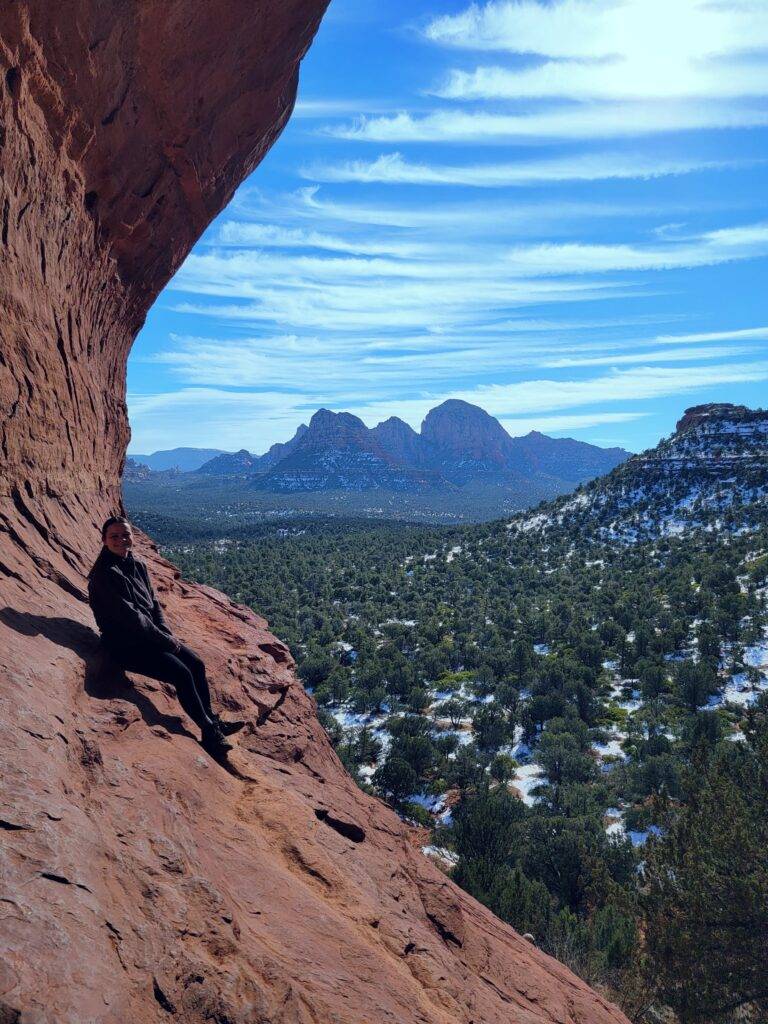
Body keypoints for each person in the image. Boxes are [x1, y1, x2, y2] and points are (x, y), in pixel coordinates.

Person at [88, 516, 244, 757]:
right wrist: (166, 641)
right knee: (181, 673)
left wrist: (164, 632)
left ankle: (212, 721)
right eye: (114, 536)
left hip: (149, 638)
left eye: (125, 535)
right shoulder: (104, 574)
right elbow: (132, 619)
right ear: (104, 540)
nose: (121, 540)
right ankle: (210, 733)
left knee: (197, 664)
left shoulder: (136, 564)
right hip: (124, 645)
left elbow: (153, 604)